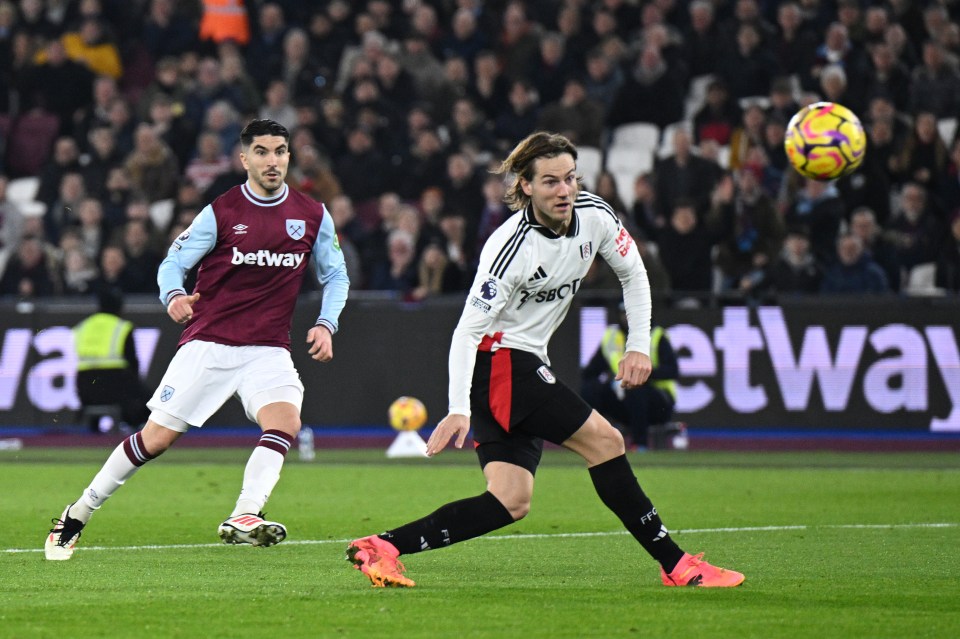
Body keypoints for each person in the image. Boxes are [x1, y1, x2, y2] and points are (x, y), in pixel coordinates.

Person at [346, 132, 743, 588]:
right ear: (527, 187)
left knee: (510, 500)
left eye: (571, 179)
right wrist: (457, 408)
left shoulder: (594, 216)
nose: (565, 190)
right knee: (607, 442)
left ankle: (383, 546)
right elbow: (466, 330)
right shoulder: (509, 248)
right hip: (500, 364)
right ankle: (678, 565)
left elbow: (633, 273)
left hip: (518, 365)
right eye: (551, 181)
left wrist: (638, 344)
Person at [45, 119, 350, 560]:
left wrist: (327, 323)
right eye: (262, 152)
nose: (272, 160)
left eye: (280, 151)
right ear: (244, 159)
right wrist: (173, 296)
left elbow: (336, 275)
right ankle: (77, 513)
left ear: (289, 156)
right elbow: (172, 263)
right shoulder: (222, 211)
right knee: (155, 440)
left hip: (267, 349)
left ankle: (246, 514)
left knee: (285, 423)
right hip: (209, 343)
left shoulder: (312, 215)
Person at [582, 305, 678, 450]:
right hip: (623, 398)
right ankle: (592, 441)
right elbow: (590, 372)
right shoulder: (612, 336)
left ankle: (640, 444)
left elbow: (672, 371)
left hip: (658, 402)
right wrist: (611, 382)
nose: (627, 318)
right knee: (590, 390)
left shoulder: (657, 336)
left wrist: (642, 374)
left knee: (636, 389)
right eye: (624, 314)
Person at [73, 287, 151, 433]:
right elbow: (133, 362)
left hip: (85, 387)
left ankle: (94, 427)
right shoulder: (121, 327)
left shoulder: (83, 326)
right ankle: (136, 428)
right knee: (148, 399)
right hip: (115, 385)